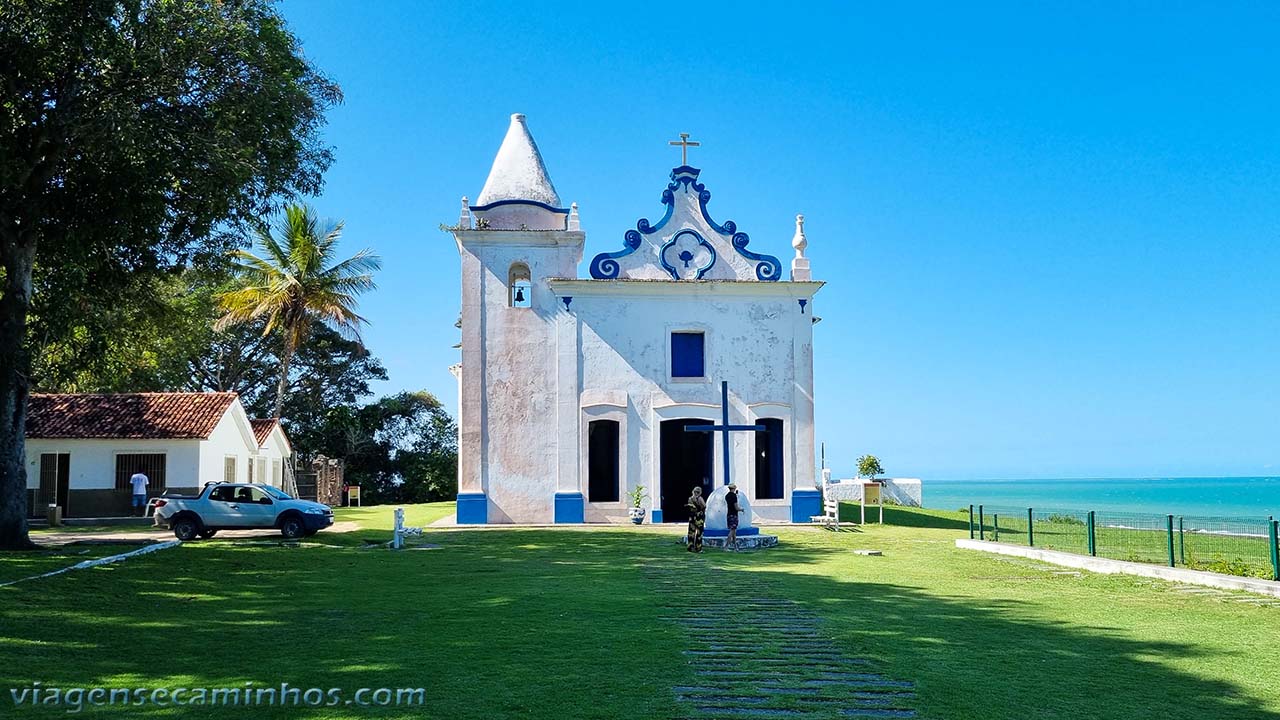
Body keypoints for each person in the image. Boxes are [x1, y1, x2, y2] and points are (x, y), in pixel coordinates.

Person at [685, 486, 706, 553]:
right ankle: (698, 548)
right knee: (699, 533)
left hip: (692, 517)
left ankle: (690, 547)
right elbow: (704, 506)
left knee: (691, 532)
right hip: (699, 517)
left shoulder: (690, 498)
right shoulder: (699, 498)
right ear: (700, 492)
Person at [725, 482, 742, 550]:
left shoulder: (727, 496)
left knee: (734, 531)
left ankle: (735, 547)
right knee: (732, 531)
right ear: (734, 488)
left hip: (729, 514)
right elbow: (736, 507)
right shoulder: (734, 496)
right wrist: (741, 509)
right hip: (734, 515)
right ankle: (726, 546)